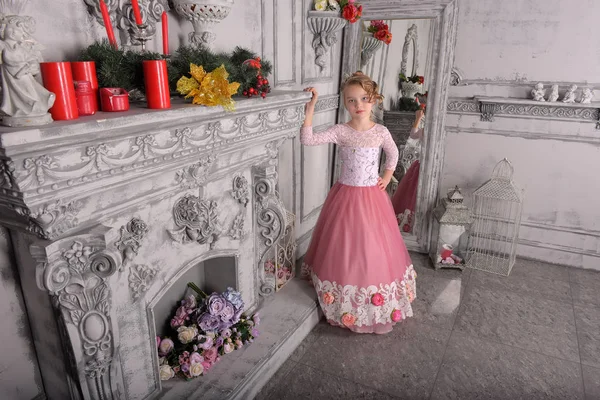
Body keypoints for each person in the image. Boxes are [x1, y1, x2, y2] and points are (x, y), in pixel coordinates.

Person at [300, 71, 416, 334]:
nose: (358, 105)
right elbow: (308, 140)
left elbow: (394, 154)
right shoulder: (341, 131)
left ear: (373, 100)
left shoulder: (381, 132)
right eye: (351, 100)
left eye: (364, 98)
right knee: (345, 243)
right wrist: (311, 109)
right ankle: (342, 292)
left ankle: (372, 294)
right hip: (345, 195)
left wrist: (386, 177)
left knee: (371, 244)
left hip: (372, 197)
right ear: (344, 103)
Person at [392, 109, 424, 232]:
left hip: (426, 168)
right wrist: (418, 119)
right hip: (419, 166)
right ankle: (406, 222)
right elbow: (413, 135)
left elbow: (413, 135)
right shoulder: (425, 131)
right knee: (410, 193)